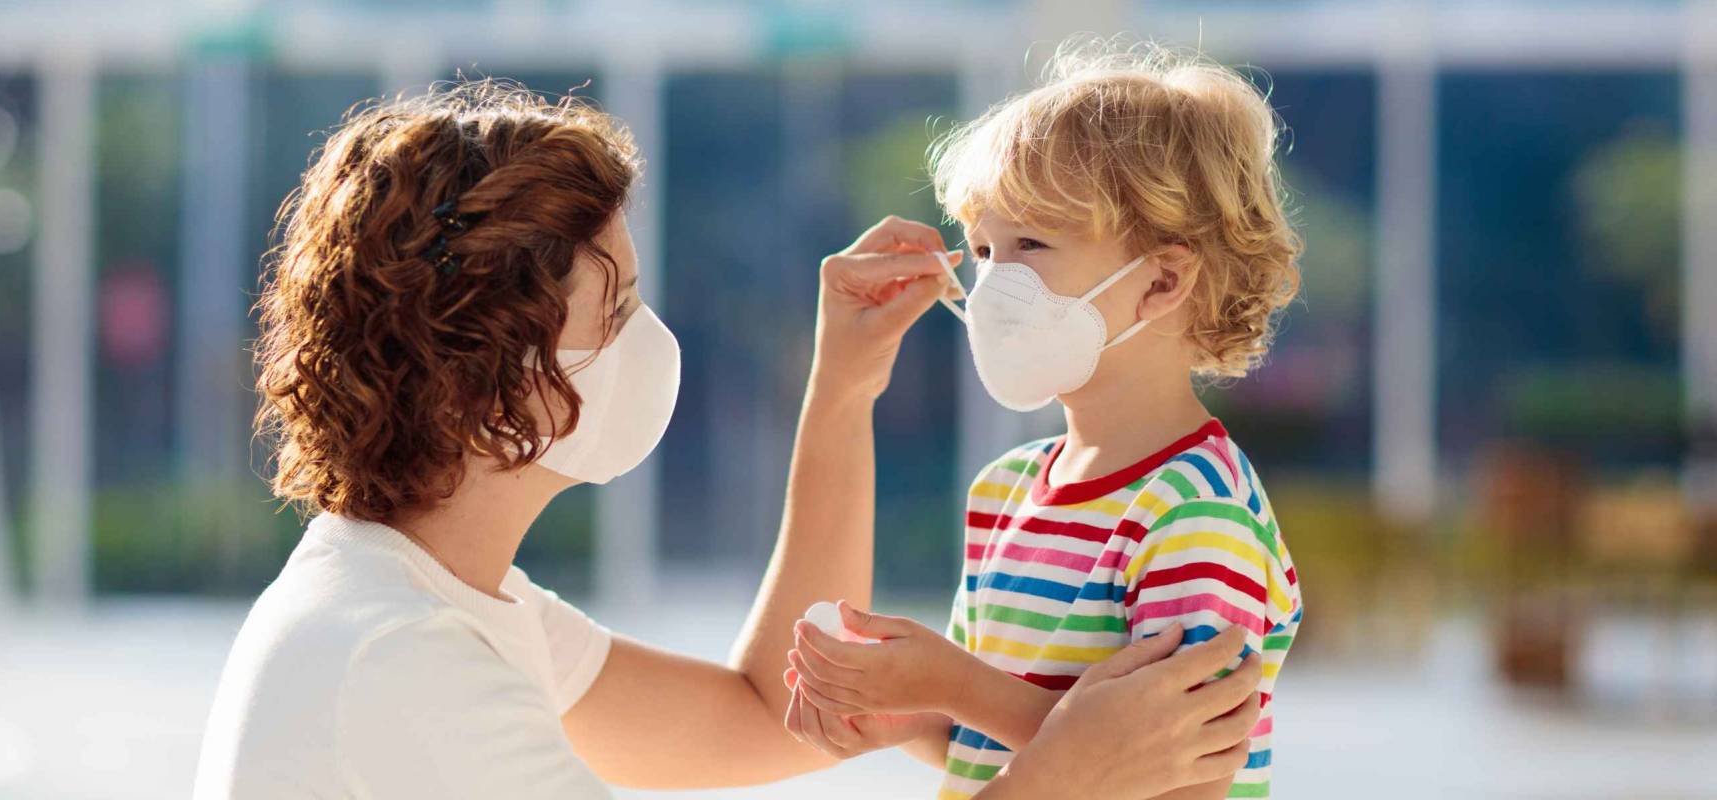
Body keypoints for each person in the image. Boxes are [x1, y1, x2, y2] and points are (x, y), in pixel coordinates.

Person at [191, 79, 1260, 799]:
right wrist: (1061, 773)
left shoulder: (449, 608)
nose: (653, 343)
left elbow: (768, 717)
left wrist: (842, 391)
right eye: (615, 315)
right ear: (501, 377)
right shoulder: (401, 664)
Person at [781, 40, 1305, 799]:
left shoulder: (1195, 515)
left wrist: (950, 683)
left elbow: (1178, 769)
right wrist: (901, 718)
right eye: (984, 249)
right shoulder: (1005, 490)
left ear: (1162, 279)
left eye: (1031, 244)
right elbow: (999, 749)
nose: (992, 283)